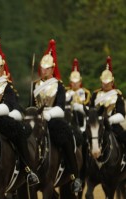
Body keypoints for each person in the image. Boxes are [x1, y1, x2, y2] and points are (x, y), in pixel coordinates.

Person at [0, 35, 39, 186]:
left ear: (2, 67)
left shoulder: (6, 85)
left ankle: (28, 169)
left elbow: (10, 105)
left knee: (18, 132)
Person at [31, 39, 82, 193]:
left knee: (65, 137)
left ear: (53, 69)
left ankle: (74, 176)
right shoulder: (35, 85)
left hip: (53, 120)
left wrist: (48, 114)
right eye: (42, 68)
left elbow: (60, 107)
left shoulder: (58, 85)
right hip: (37, 121)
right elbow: (31, 105)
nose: (44, 71)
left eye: (47, 68)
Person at [90, 56, 126, 149]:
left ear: (112, 82)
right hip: (96, 124)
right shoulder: (95, 94)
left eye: (108, 82)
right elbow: (91, 109)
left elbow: (121, 114)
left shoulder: (117, 95)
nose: (105, 84)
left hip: (112, 124)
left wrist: (109, 120)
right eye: (103, 82)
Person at [65, 58, 91, 131]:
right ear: (70, 82)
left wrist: (79, 107)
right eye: (73, 82)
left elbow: (89, 109)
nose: (75, 84)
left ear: (80, 82)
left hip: (82, 119)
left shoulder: (86, 93)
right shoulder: (66, 92)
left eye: (77, 82)